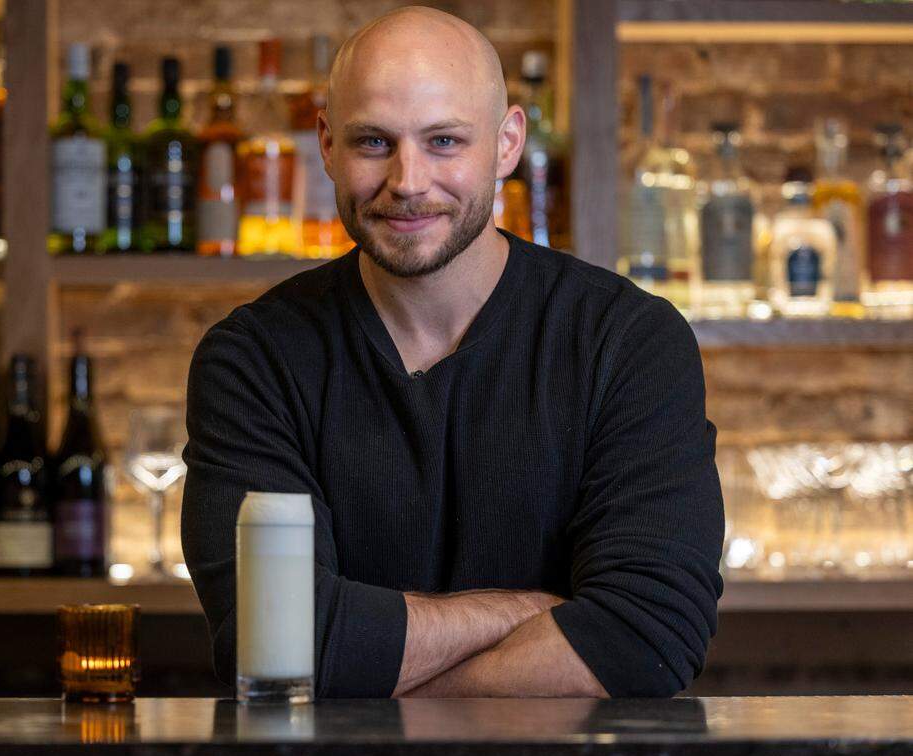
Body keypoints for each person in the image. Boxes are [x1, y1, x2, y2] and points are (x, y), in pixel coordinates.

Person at [181, 6, 724, 699]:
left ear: (507, 144)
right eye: (374, 141)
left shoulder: (628, 342)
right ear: (325, 143)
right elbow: (275, 645)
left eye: (444, 141)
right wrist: (533, 611)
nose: (408, 180)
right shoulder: (254, 360)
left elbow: (649, 636)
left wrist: (367, 670)